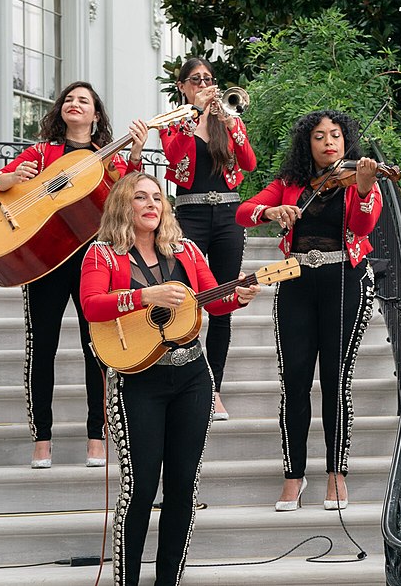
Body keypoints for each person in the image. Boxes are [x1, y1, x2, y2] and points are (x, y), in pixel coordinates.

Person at [79, 172, 260, 585]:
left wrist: (240, 295)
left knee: (182, 487)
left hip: (193, 378)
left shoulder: (188, 250)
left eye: (157, 197)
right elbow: (91, 306)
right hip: (137, 380)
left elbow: (214, 302)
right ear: (123, 205)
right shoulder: (102, 254)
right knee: (140, 487)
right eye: (140, 197)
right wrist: (145, 296)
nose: (151, 204)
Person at [0, 81, 148, 468]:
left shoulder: (106, 157)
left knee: (97, 346)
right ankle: (42, 440)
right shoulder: (41, 152)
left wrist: (137, 152)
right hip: (43, 262)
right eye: (70, 99)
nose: (75, 104)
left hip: (91, 260)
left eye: (84, 101)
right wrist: (12, 179)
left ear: (96, 115)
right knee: (41, 348)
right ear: (61, 109)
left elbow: (127, 196)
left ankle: (97, 436)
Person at [235, 110, 382, 512]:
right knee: (295, 383)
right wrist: (269, 212)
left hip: (344, 282)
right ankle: (293, 476)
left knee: (336, 382)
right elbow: (243, 211)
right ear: (308, 143)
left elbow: (364, 227)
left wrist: (367, 190)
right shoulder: (290, 183)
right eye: (319, 136)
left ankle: (336, 474)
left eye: (336, 134)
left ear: (345, 138)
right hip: (296, 282)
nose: (329, 142)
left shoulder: (359, 179)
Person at [159, 57, 257, 421]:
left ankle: (214, 389)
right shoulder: (173, 123)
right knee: (187, 299)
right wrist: (195, 115)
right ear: (182, 86)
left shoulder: (227, 119)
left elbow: (249, 163)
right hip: (190, 215)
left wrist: (230, 121)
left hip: (229, 216)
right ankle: (184, 381)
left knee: (224, 301)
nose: (203, 83)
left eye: (208, 79)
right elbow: (175, 160)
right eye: (195, 79)